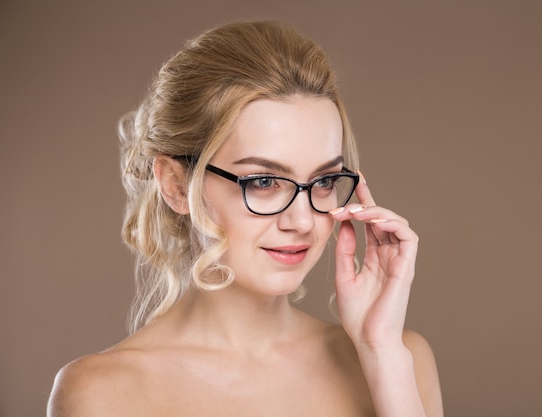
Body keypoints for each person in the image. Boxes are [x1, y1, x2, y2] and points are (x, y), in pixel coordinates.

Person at [47, 20, 443, 416]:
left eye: (323, 181)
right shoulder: (101, 394)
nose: (302, 221)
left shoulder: (399, 358)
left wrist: (381, 352)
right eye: (264, 181)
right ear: (176, 185)